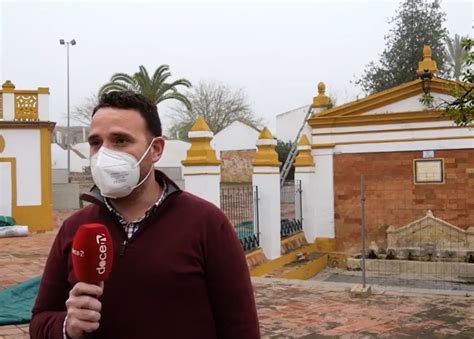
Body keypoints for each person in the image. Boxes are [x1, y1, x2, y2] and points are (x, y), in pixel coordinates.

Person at [30, 91, 260, 339]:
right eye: (96, 143)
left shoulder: (207, 223)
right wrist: (67, 326)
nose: (104, 154)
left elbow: (240, 326)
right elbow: (40, 319)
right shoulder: (76, 228)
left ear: (156, 149)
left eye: (120, 141)